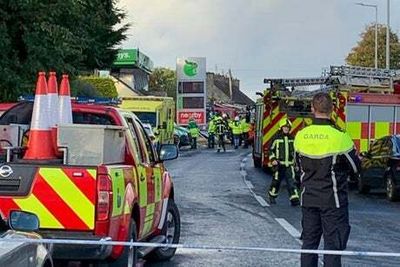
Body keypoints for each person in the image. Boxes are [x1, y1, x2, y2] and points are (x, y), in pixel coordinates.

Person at [294, 92, 360, 267]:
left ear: (312, 109)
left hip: (308, 198)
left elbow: (297, 167)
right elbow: (356, 168)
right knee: (332, 247)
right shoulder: (340, 137)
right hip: (333, 201)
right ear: (332, 110)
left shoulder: (301, 135)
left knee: (309, 245)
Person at [267, 118, 299, 206]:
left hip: (289, 165)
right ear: (281, 128)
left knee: (291, 182)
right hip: (279, 165)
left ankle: (294, 199)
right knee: (276, 182)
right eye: (285, 127)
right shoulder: (276, 138)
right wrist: (273, 160)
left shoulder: (292, 138)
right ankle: (272, 196)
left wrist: (296, 164)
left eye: (288, 128)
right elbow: (270, 150)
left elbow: (295, 152)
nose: (286, 129)